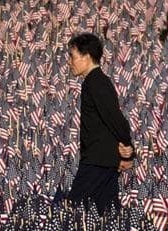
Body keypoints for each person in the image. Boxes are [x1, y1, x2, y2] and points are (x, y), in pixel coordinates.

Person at [65, 32, 135, 216]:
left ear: (86, 57)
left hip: (97, 162)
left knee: (71, 212)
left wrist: (128, 148)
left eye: (72, 56)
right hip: (103, 161)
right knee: (108, 216)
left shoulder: (96, 83)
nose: (69, 62)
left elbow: (115, 118)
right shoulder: (94, 82)